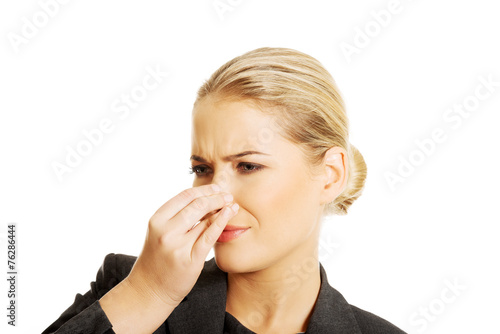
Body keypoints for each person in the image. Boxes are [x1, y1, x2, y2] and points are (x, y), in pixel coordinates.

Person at [43, 47, 406, 334]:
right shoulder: (126, 290)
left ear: (330, 176)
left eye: (248, 166)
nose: (217, 199)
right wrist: (150, 294)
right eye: (202, 169)